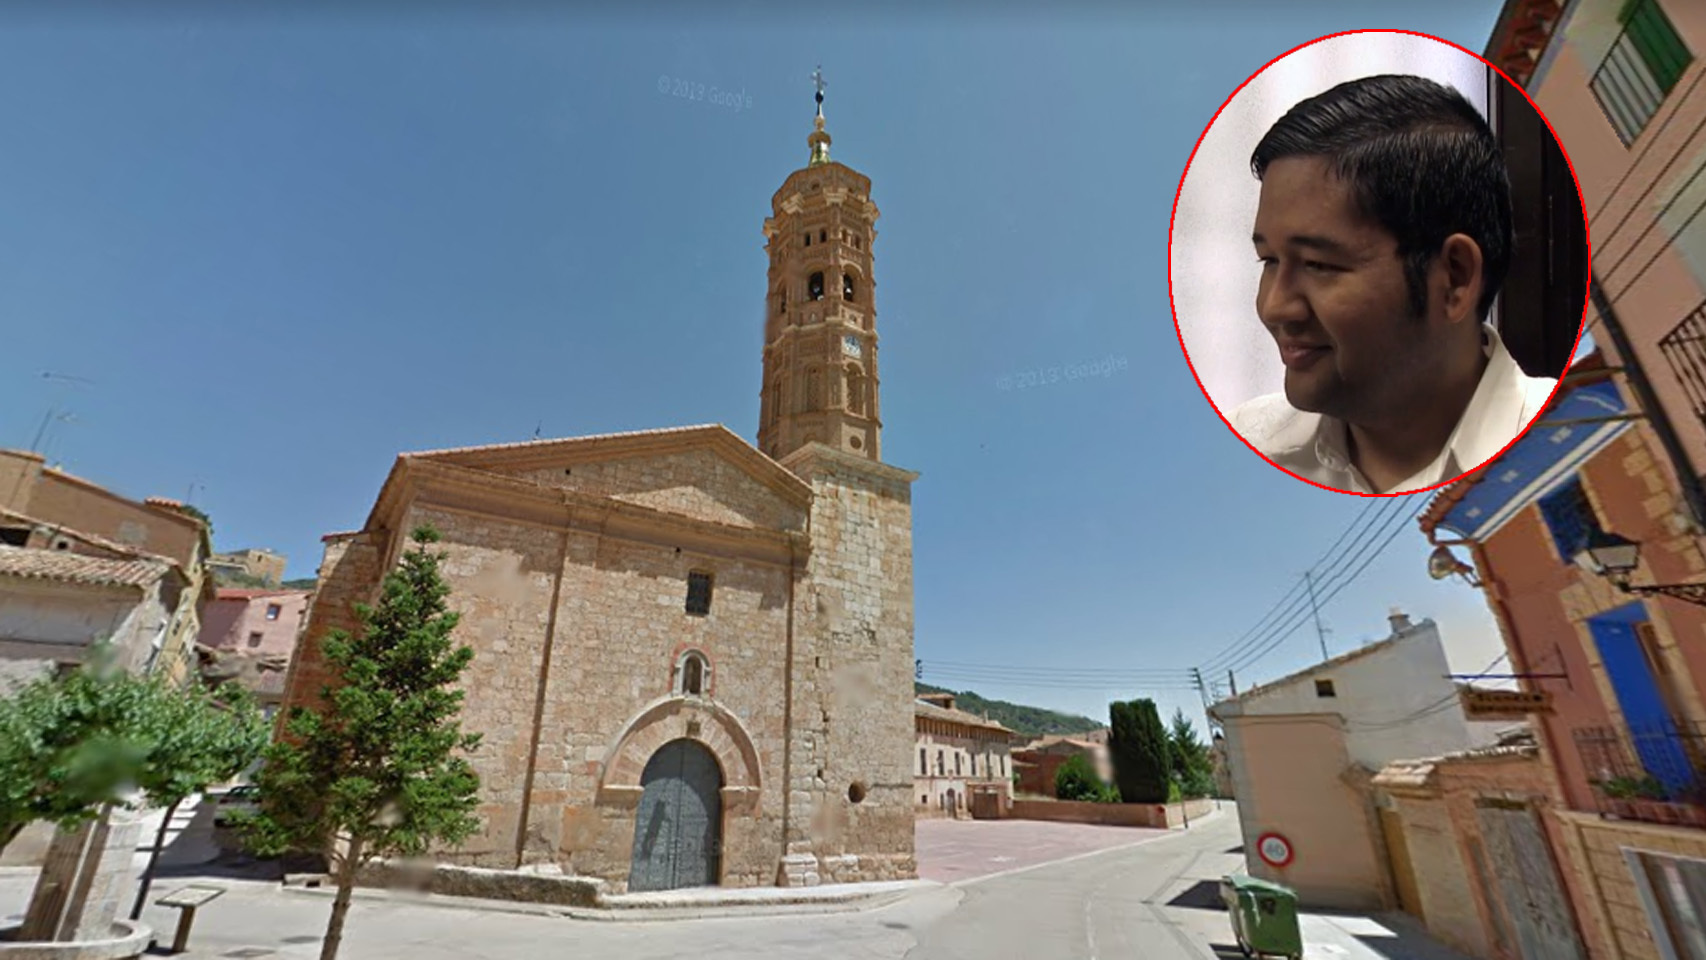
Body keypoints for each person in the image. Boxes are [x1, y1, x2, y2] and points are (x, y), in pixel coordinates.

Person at [1229, 73, 1557, 495]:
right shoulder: (1255, 441)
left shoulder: (1564, 426)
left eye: (1318, 264)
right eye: (1269, 260)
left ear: (1454, 279)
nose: (1275, 307)